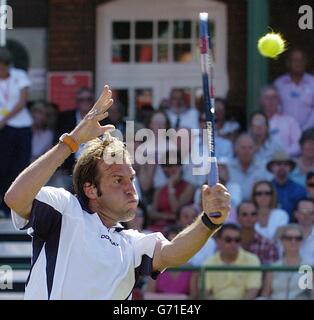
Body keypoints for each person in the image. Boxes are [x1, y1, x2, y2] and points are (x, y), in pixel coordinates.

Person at [4, 85, 230, 300]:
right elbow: (15, 198)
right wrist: (71, 142)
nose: (130, 188)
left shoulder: (132, 243)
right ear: (90, 189)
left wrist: (208, 221)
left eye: (131, 178)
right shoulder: (64, 208)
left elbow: (172, 253)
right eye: (117, 180)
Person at [0, 47, 32, 216]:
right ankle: (3, 206)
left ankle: (16, 206)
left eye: (3, 66)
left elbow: (22, 100)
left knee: (19, 167)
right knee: (3, 167)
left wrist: (4, 119)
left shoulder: (19, 75)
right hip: (4, 130)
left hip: (20, 127)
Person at [202, 223, 262, 300]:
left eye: (237, 240)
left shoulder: (252, 260)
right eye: (228, 240)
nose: (233, 243)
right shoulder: (208, 263)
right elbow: (205, 293)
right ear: (219, 241)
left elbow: (252, 292)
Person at [143, 224, 198, 300]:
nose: (173, 247)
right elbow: (148, 294)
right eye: (170, 243)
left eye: (177, 243)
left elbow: (193, 297)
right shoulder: (156, 265)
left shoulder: (192, 270)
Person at [262, 224, 313, 300]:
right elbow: (266, 294)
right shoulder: (273, 267)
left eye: (298, 238)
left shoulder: (310, 266)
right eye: (289, 238)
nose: (293, 241)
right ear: (282, 240)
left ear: (302, 241)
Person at [274, 49, 314, 131]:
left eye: (301, 60)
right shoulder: (279, 84)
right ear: (288, 63)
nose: (298, 64)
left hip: (310, 132)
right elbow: (276, 108)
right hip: (285, 131)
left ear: (305, 62)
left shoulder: (312, 82)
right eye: (294, 60)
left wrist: (305, 129)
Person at [260, 85, 301, 157]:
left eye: (274, 97)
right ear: (262, 101)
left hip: (285, 162)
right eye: (267, 98)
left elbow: (299, 145)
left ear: (279, 100)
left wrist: (281, 154)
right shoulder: (257, 122)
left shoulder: (290, 121)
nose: (270, 101)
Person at [228, 133, 271, 200]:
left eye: (250, 148)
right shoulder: (227, 167)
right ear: (236, 149)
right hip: (232, 207)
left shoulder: (263, 167)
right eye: (243, 148)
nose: (247, 151)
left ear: (255, 149)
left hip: (257, 206)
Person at [267, 151, 307, 220]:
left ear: (290, 168)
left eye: (286, 164)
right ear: (271, 167)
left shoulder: (299, 190)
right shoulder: (265, 190)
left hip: (294, 227)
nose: (282, 167)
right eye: (278, 164)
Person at [237, 201, 279, 265]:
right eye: (244, 214)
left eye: (253, 214)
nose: (249, 218)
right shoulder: (227, 241)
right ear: (237, 218)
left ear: (257, 217)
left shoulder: (268, 245)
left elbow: (270, 273)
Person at [294, 198, 314, 265]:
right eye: (303, 212)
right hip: (291, 273)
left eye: (310, 213)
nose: (306, 216)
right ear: (296, 213)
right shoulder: (285, 234)